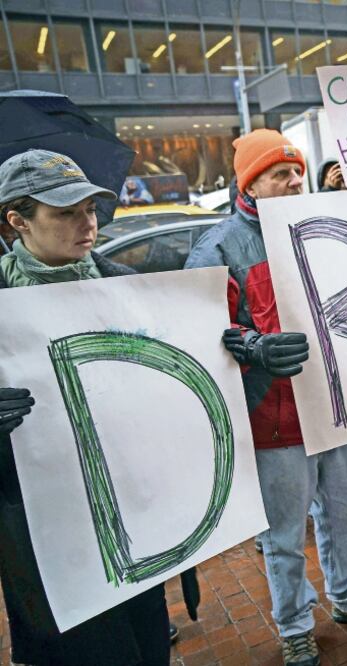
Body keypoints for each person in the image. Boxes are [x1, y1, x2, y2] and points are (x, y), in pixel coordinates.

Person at [185, 129, 347, 666]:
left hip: (332, 408)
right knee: (283, 533)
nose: (295, 180)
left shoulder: (323, 226)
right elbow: (196, 331)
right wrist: (251, 346)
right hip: (273, 418)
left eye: (297, 171)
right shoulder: (218, 248)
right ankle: (294, 622)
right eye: (280, 173)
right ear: (250, 182)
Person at [0, 149, 172, 665]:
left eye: (91, 209)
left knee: (147, 647)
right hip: (46, 533)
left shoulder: (123, 282)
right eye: (65, 212)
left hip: (131, 514)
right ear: (17, 221)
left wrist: (239, 352)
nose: (88, 223)